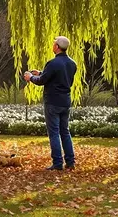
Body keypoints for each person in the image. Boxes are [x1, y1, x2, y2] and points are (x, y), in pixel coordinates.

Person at [23, 36, 77, 171]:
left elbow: (42, 81)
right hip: (65, 101)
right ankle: (70, 161)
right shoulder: (72, 64)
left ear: (57, 47)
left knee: (54, 133)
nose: (52, 45)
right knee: (65, 131)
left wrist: (31, 77)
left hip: (52, 101)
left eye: (54, 44)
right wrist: (41, 73)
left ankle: (57, 163)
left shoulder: (52, 63)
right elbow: (60, 77)